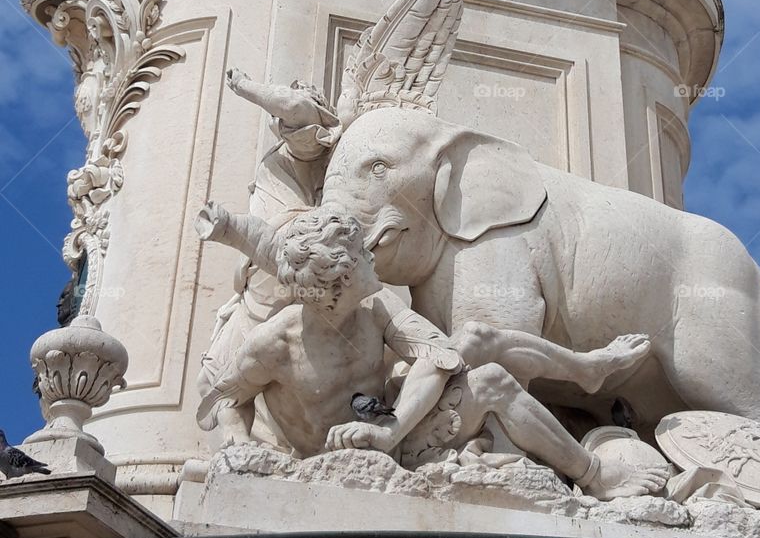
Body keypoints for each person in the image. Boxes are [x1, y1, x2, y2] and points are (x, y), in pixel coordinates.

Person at [196, 203, 667, 500]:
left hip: (393, 433)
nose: (372, 258)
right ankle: (593, 455)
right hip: (341, 457)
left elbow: (438, 355)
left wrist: (392, 428)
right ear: (337, 280)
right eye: (362, 255)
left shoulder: (374, 309)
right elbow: (221, 400)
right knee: (492, 379)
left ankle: (591, 437)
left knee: (480, 349)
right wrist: (242, 454)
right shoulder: (273, 345)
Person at [196, 69, 342, 444]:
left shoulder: (312, 140)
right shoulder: (285, 150)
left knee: (243, 361)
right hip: (264, 270)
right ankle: (241, 436)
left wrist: (244, 86)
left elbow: (296, 106)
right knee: (215, 371)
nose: (280, 118)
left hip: (291, 258)